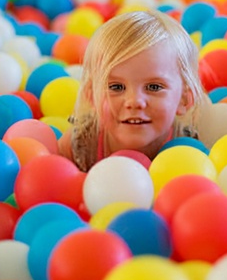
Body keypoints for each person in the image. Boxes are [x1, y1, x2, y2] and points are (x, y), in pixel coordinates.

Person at [58, 9, 208, 171]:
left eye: (154, 87)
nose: (135, 101)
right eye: (116, 87)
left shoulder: (188, 153)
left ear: (183, 99)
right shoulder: (79, 146)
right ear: (92, 95)